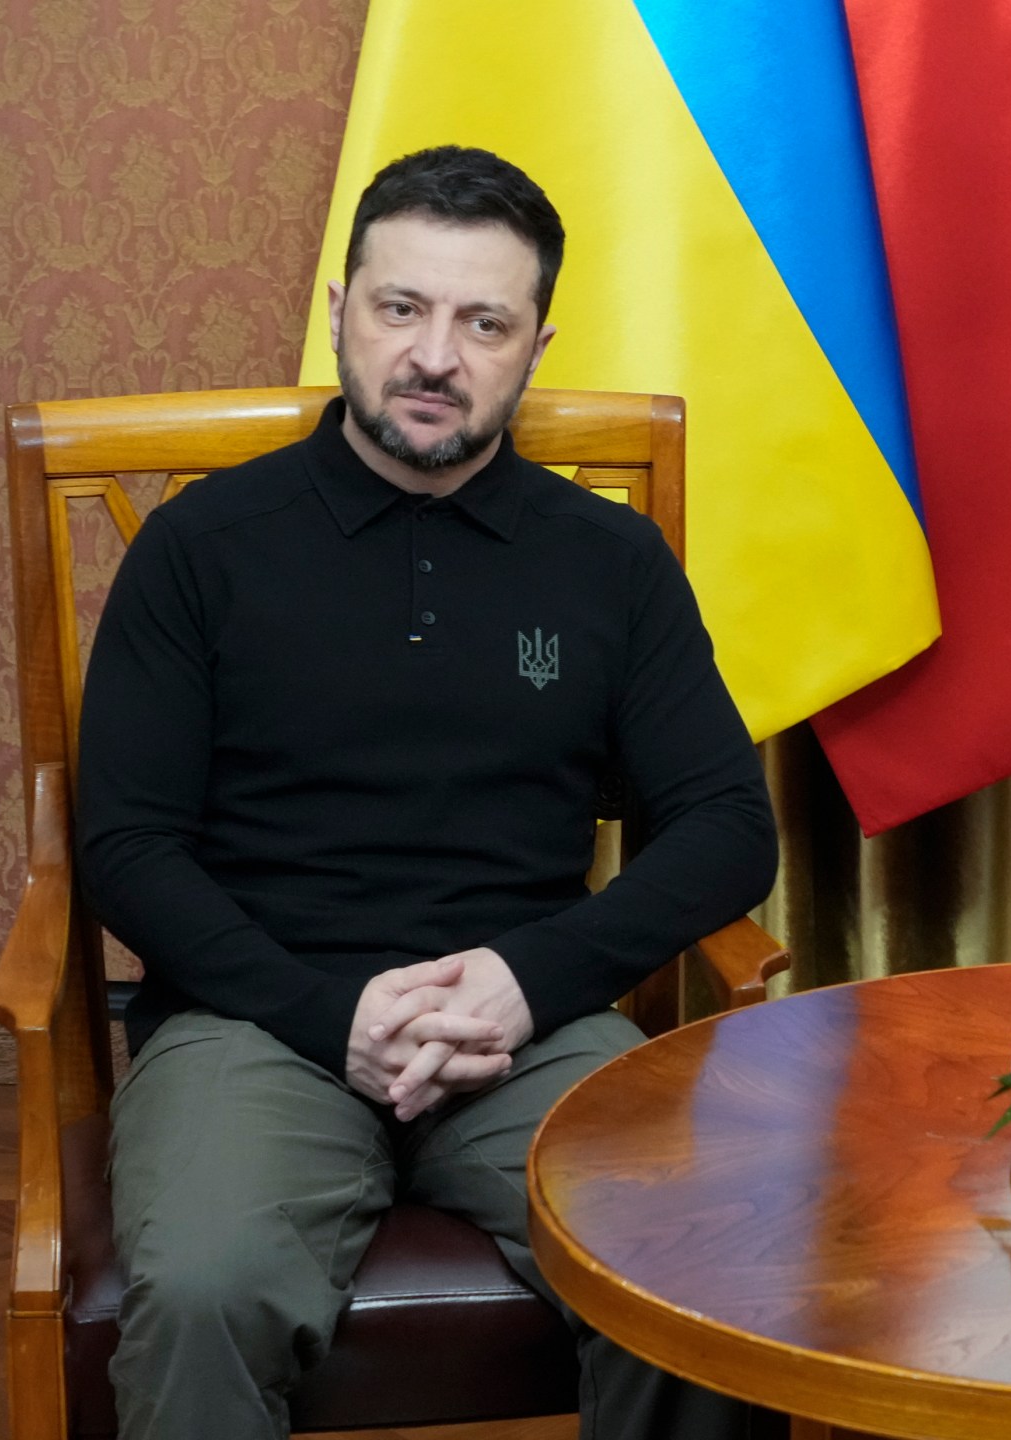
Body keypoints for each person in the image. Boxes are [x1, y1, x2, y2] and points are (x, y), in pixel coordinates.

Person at [77, 145, 782, 1439]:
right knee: (207, 1284)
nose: (436, 355)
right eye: (402, 308)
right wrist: (323, 1008)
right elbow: (128, 842)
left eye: (484, 322)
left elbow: (731, 827)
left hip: (528, 1019)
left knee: (689, 1265)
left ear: (535, 343)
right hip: (254, 1017)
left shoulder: (608, 561)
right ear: (342, 308)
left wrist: (531, 976)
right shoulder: (200, 547)